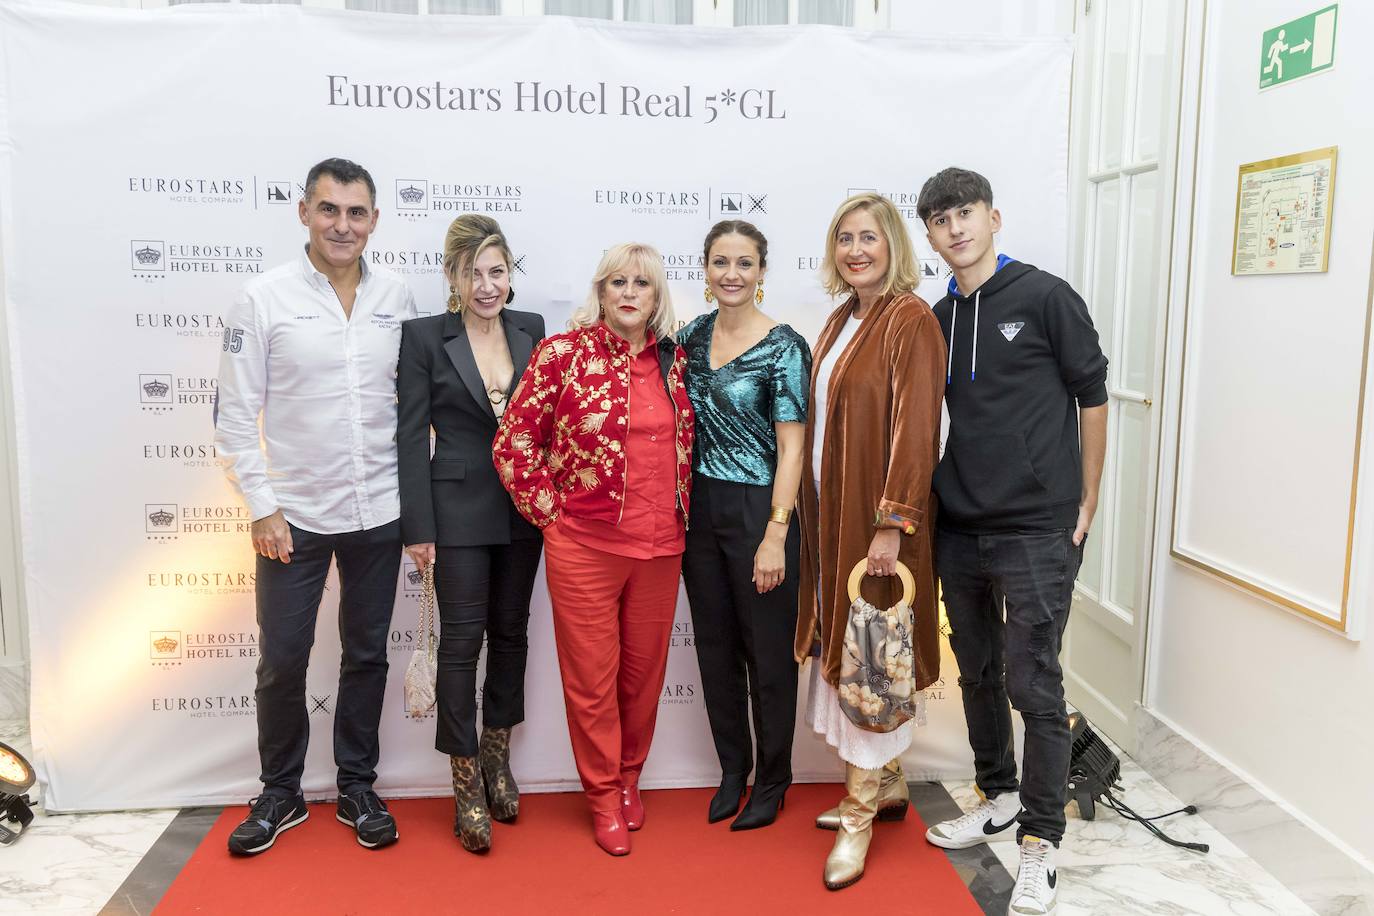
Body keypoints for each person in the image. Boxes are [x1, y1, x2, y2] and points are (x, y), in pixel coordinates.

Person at [916, 167, 1108, 916]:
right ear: (929, 236)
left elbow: (1092, 395)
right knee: (977, 673)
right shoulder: (937, 316)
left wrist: (1090, 495)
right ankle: (995, 794)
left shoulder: (1045, 296)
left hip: (1037, 524)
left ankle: (1040, 843)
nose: (955, 227)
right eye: (940, 219)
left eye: (965, 212)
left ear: (993, 217)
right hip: (960, 522)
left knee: (1036, 685)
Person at [215, 158, 416, 856]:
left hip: (379, 510)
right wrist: (262, 507)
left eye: (356, 212)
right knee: (282, 658)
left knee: (366, 655)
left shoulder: (397, 295)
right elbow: (235, 417)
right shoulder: (262, 297)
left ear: (374, 221)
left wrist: (416, 512)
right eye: (329, 209)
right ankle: (280, 791)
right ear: (304, 212)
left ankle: (358, 784)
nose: (342, 224)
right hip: (292, 515)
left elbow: (412, 408)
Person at [493, 243, 694, 857]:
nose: (629, 293)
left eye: (642, 284)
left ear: (657, 296)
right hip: (584, 547)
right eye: (617, 283)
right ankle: (603, 795)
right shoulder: (563, 354)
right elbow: (514, 443)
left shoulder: (678, 362)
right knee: (592, 683)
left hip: (662, 547)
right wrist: (551, 518)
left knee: (642, 679)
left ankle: (631, 778)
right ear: (600, 292)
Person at [794, 193, 946, 889]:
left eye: (870, 237)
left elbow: (919, 428)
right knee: (854, 645)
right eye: (845, 238)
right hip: (834, 519)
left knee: (871, 658)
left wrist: (891, 522)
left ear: (893, 246)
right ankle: (885, 783)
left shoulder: (909, 319)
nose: (857, 249)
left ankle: (857, 815)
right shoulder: (843, 318)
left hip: (878, 525)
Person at [396, 215, 545, 853]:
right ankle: (463, 781)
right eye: (473, 273)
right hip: (454, 510)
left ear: (510, 275)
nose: (487, 286)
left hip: (523, 512)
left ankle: (496, 757)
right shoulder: (425, 337)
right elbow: (408, 437)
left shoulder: (531, 330)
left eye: (497, 272)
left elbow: (546, 422)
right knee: (462, 644)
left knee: (512, 635)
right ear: (452, 277)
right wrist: (418, 527)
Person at [679, 220, 809, 830]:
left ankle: (774, 776)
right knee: (714, 648)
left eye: (745, 263)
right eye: (720, 262)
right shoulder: (690, 337)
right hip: (697, 512)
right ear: (705, 269)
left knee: (768, 655)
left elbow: (792, 448)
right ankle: (733, 768)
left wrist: (777, 533)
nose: (731, 273)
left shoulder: (785, 346)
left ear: (762, 271)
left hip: (761, 509)